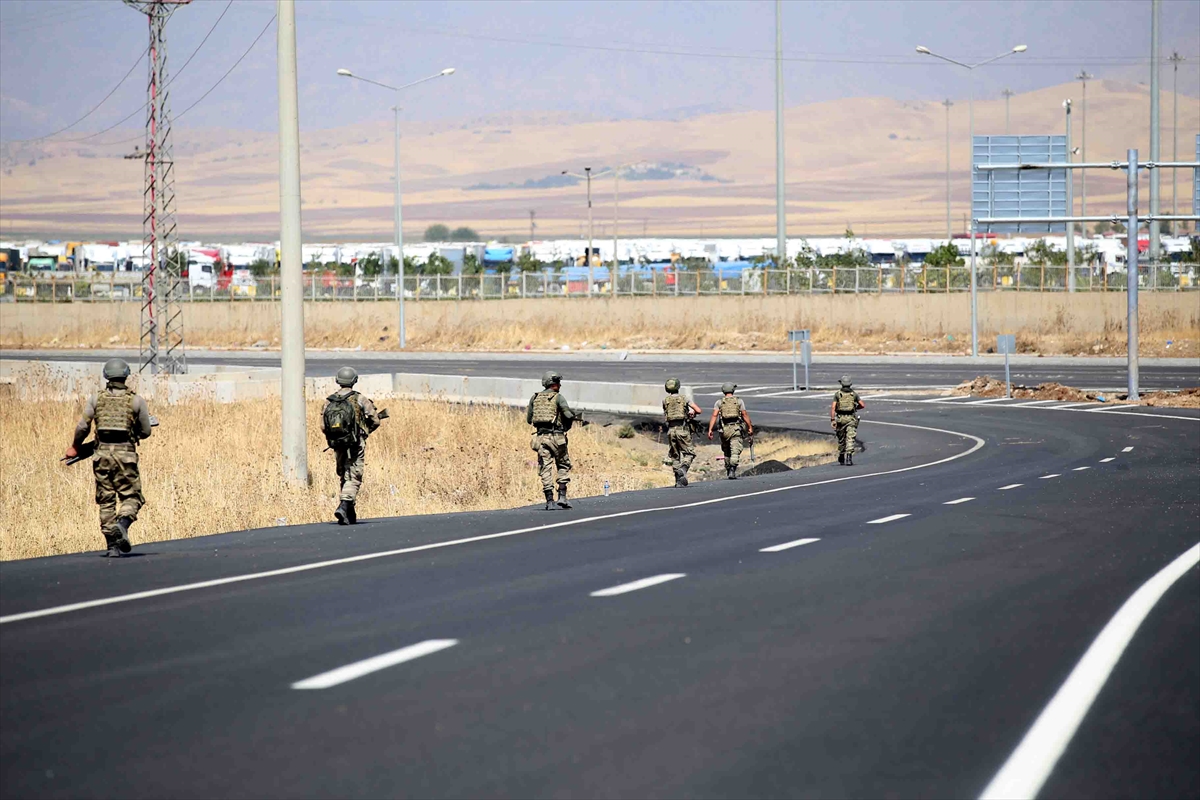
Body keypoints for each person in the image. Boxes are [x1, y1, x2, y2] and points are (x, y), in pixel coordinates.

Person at [64, 358, 153, 558]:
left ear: (107, 376)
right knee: (132, 497)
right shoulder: (136, 401)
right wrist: (135, 431)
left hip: (101, 456)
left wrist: (75, 447)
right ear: (126, 375)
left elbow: (83, 427)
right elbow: (146, 431)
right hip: (126, 456)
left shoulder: (97, 399)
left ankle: (112, 547)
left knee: (106, 501)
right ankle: (122, 526)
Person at [321, 366, 382, 525]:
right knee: (354, 474)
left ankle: (349, 512)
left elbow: (322, 426)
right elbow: (375, 420)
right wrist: (365, 431)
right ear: (354, 381)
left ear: (337, 380)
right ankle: (344, 504)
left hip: (337, 443)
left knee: (344, 474)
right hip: (356, 442)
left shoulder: (329, 401)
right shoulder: (360, 399)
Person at [526, 370, 581, 510]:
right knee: (563, 464)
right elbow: (568, 415)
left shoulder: (535, 398)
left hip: (541, 438)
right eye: (558, 383)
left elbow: (529, 419)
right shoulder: (558, 398)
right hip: (558, 438)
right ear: (553, 384)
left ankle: (549, 500)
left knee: (545, 467)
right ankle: (562, 497)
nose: (560, 385)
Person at [707, 382, 753, 479]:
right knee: (735, 450)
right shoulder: (739, 401)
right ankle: (732, 468)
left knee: (727, 451)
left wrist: (710, 429)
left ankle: (728, 469)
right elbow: (744, 415)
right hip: (736, 429)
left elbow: (714, 415)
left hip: (723, 430)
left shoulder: (719, 402)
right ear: (733, 390)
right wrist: (749, 427)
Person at [662, 377, 701, 487]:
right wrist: (691, 413)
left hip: (670, 431)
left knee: (675, 455)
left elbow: (666, 413)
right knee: (689, 453)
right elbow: (698, 410)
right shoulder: (684, 398)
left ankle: (678, 481)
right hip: (682, 430)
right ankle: (683, 470)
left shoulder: (665, 400)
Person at [831, 375, 865, 466]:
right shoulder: (854, 394)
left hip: (840, 419)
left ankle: (842, 456)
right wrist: (855, 408)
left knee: (841, 439)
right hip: (851, 419)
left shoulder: (837, 394)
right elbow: (862, 405)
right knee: (850, 438)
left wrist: (832, 419)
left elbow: (833, 407)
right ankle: (849, 458)